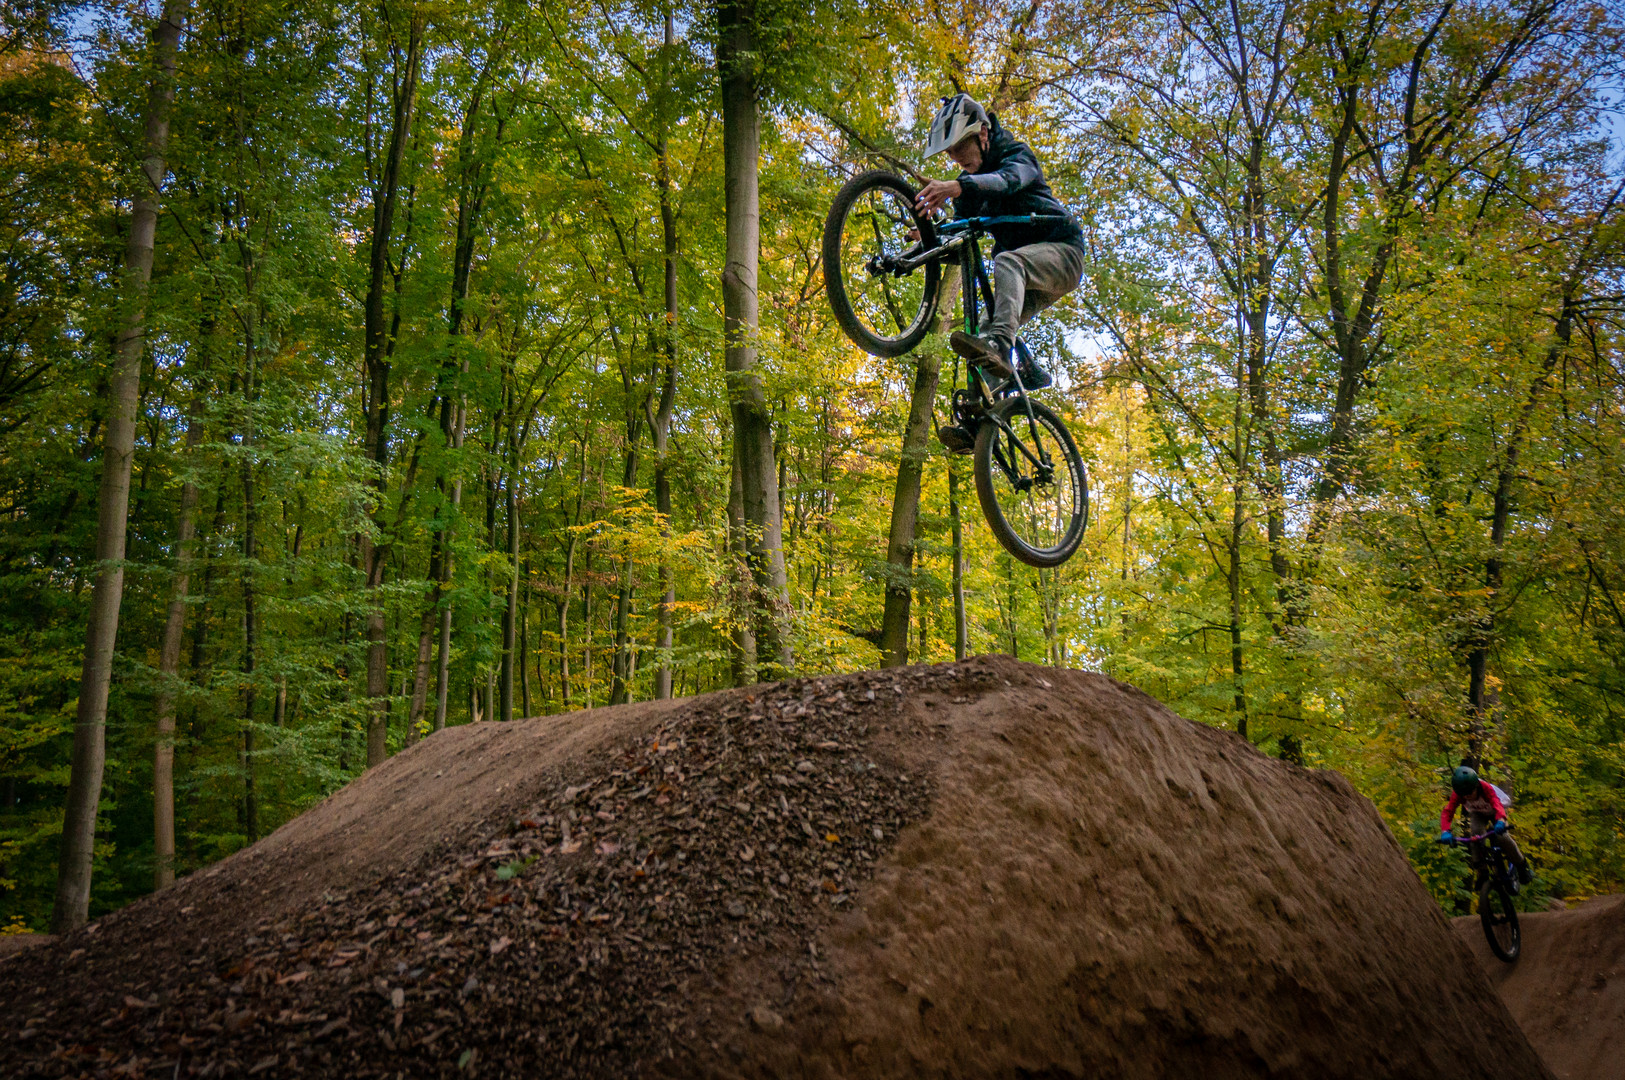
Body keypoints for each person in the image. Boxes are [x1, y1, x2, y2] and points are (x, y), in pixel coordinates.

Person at [913, 93, 1086, 455]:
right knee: (985, 329)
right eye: (950, 153)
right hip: (1029, 279)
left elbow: (1008, 181)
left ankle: (1002, 349)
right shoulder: (971, 184)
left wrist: (958, 186)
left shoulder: (1016, 156)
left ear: (984, 134)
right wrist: (928, 235)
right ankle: (982, 426)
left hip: (1063, 254)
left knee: (1008, 262)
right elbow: (958, 231)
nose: (956, 158)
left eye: (960, 147)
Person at [1440, 764, 1532, 884]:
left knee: (1503, 838)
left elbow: (1497, 805)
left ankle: (1522, 865)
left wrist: (1500, 822)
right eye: (1464, 794)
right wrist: (1445, 831)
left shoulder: (1485, 788)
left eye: (1469, 793)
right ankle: (1482, 872)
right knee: (1475, 839)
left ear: (1476, 786)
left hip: (1496, 810)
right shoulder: (1459, 793)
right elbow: (1448, 811)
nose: (1467, 796)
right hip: (1478, 813)